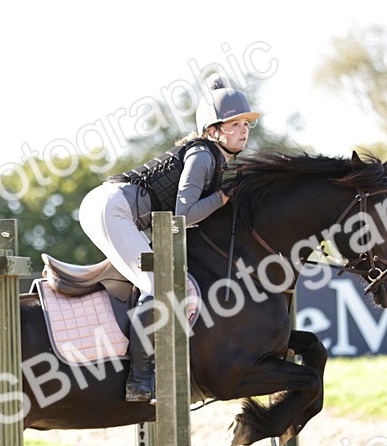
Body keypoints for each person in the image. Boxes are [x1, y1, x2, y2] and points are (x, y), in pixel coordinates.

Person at [79, 73, 259, 403]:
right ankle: (140, 378)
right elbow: (183, 215)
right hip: (111, 209)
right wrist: (223, 197)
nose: (243, 130)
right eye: (234, 124)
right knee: (159, 284)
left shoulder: (215, 157)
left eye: (246, 124)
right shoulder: (203, 155)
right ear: (213, 130)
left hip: (116, 208)